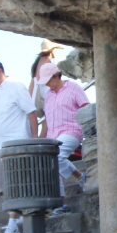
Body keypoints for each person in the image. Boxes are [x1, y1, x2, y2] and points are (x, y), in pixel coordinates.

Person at [0, 58, 38, 233]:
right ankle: (18, 211)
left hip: (16, 144)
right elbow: (2, 119)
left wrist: (34, 139)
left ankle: (12, 225)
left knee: (14, 183)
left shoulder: (16, 86)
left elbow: (32, 112)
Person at [36, 62, 89, 215]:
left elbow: (86, 107)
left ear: (55, 76)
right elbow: (47, 118)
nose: (46, 83)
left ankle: (79, 176)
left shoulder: (74, 88)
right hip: (52, 135)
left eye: (47, 80)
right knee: (50, 165)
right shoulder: (49, 95)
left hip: (72, 130)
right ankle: (62, 203)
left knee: (56, 158)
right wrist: (42, 136)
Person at [29, 39, 64, 120]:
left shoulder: (37, 64)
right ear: (52, 49)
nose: (57, 52)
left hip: (36, 101)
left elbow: (31, 87)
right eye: (56, 49)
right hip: (46, 98)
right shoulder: (47, 64)